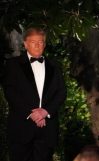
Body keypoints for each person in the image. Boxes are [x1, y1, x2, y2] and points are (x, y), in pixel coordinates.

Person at [2, 27, 67, 161]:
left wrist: (45, 112)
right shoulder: (13, 64)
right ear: (25, 44)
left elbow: (61, 92)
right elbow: (10, 92)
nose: (38, 45)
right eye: (33, 42)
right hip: (21, 128)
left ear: (44, 44)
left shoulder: (54, 65)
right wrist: (32, 114)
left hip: (47, 128)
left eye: (41, 42)